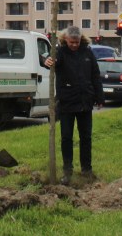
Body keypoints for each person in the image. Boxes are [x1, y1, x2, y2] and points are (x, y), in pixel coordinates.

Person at [42, 26, 104, 184]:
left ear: (80, 40)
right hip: (67, 103)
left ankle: (86, 170)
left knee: (86, 138)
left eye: (77, 42)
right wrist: (47, 60)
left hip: (85, 103)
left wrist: (99, 97)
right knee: (66, 138)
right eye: (71, 42)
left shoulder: (88, 53)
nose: (74, 45)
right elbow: (49, 61)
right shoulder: (60, 52)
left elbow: (95, 75)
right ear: (66, 40)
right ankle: (67, 171)